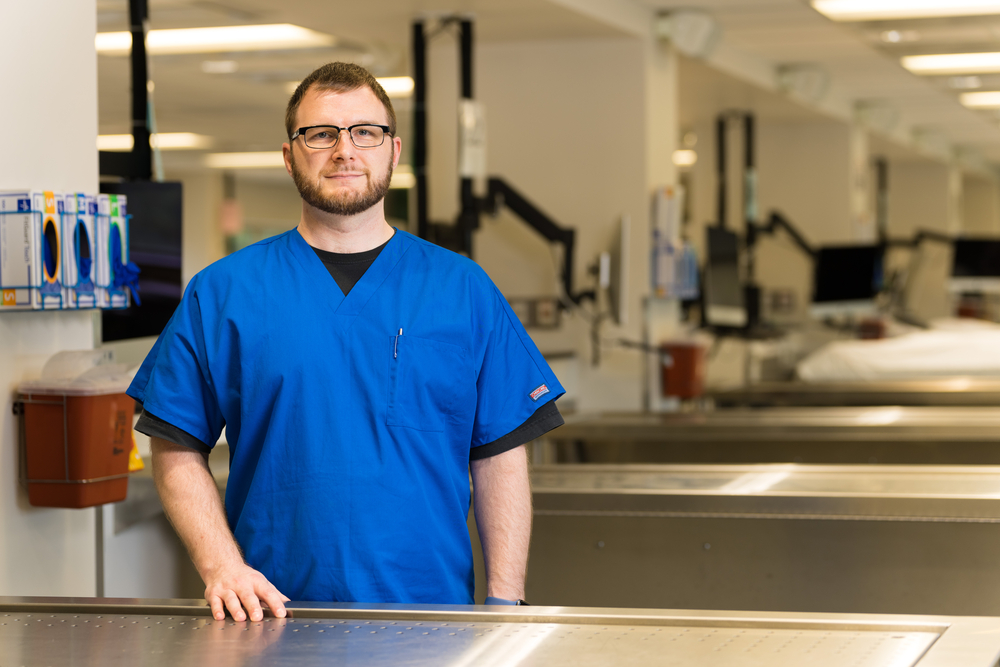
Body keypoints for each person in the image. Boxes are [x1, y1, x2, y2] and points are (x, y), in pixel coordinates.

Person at [128, 62, 565, 623]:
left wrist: (506, 600)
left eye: (365, 132)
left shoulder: (462, 288)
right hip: (270, 616)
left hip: (432, 620)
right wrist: (220, 565)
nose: (345, 150)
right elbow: (174, 441)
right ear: (290, 155)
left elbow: (500, 451)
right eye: (321, 134)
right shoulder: (223, 292)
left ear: (393, 150)